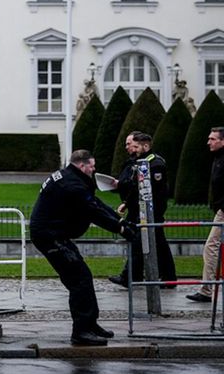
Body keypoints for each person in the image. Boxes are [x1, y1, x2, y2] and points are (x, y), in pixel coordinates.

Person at [30, 148, 136, 346]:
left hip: (55, 234)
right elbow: (93, 211)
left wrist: (119, 220)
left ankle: (90, 325)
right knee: (79, 279)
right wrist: (120, 228)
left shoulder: (71, 178)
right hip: (50, 236)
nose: (94, 171)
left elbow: (95, 203)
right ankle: (81, 332)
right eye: (92, 167)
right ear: (82, 165)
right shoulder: (72, 185)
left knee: (82, 277)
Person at [109, 131, 176, 288]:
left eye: (137, 146)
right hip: (139, 208)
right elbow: (136, 187)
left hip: (151, 211)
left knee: (143, 242)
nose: (134, 149)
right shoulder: (140, 162)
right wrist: (127, 202)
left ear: (146, 146)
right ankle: (161, 277)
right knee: (155, 243)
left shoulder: (155, 163)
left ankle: (131, 276)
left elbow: (151, 190)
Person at [186, 126, 224, 304]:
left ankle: (207, 289)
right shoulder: (218, 158)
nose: (208, 141)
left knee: (211, 247)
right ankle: (207, 288)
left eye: (213, 139)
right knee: (212, 247)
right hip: (220, 210)